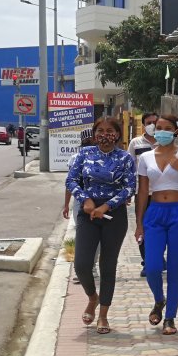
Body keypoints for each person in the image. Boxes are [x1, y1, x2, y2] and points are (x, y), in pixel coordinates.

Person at [64, 116, 135, 335]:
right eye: (100, 131)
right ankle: (92, 298)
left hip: (114, 216)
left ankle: (103, 315)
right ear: (94, 134)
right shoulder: (84, 154)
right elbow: (71, 180)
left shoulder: (125, 158)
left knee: (107, 265)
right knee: (82, 264)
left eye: (110, 131)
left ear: (118, 134)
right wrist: (85, 200)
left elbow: (129, 188)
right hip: (88, 214)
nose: (105, 135)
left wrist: (106, 206)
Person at [135, 115, 178, 335]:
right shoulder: (145, 157)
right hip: (154, 214)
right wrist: (139, 223)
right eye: (158, 128)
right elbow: (143, 191)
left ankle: (170, 317)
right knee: (152, 266)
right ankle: (159, 300)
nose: (161, 131)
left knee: (176, 268)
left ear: (175, 131)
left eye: (167, 128)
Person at [128, 112, 158, 276]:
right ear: (144, 124)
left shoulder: (165, 142)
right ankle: (147, 261)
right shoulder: (136, 143)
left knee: (158, 228)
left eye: (155, 122)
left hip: (161, 193)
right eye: (149, 122)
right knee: (142, 226)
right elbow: (129, 167)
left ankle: (157, 258)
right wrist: (130, 191)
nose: (152, 125)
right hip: (142, 193)